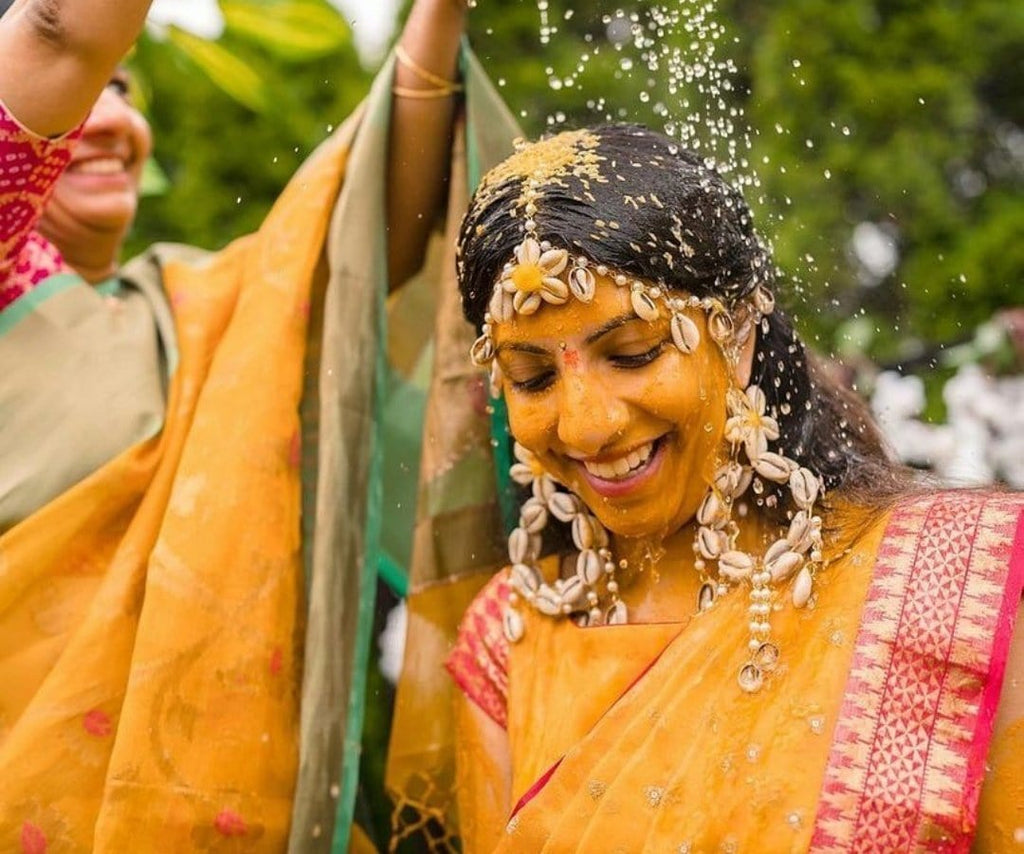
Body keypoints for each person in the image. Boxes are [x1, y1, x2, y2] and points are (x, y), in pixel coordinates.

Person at [393, 124, 1024, 851]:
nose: (587, 426)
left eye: (632, 354)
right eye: (533, 378)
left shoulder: (950, 586)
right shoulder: (508, 641)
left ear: (739, 330)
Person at [0, 0, 520, 849]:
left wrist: (438, 15)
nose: (110, 119)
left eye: (127, 93)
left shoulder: (215, 306)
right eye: (89, 92)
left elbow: (365, 233)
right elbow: (61, 30)